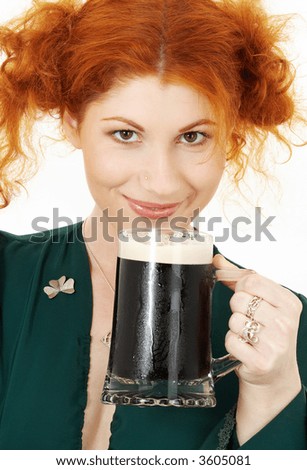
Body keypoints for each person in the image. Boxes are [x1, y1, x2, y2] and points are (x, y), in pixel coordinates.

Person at [0, 0, 306, 451]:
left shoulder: (287, 337)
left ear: (231, 139)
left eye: (193, 136)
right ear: (72, 124)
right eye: (125, 134)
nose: (161, 183)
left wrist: (272, 392)